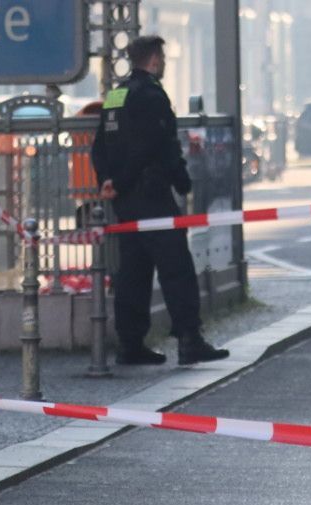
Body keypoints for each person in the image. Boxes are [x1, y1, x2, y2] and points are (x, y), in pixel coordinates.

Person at [91, 34, 229, 367]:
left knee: (133, 271)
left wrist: (108, 182)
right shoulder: (152, 96)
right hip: (152, 196)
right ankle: (189, 340)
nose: (164, 64)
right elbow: (157, 146)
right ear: (153, 60)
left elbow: (99, 147)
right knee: (176, 268)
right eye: (163, 59)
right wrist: (182, 182)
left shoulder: (115, 95)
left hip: (123, 201)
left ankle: (131, 345)